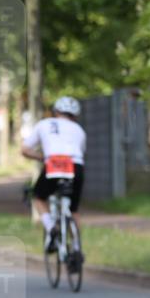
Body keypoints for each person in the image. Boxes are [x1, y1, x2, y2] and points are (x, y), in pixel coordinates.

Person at [21, 96, 86, 251]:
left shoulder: (44, 124)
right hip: (75, 165)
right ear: (75, 115)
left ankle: (51, 227)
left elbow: (25, 149)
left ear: (56, 111)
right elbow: (81, 152)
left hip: (54, 164)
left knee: (38, 197)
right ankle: (77, 247)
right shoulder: (79, 130)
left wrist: (41, 157)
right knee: (74, 209)